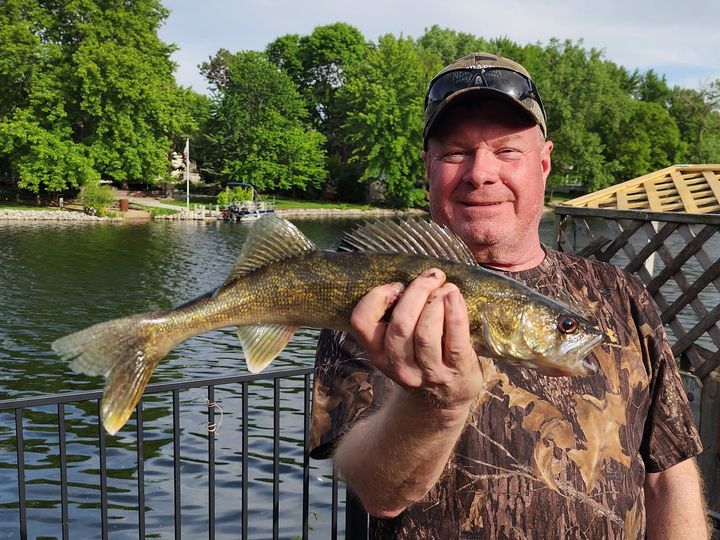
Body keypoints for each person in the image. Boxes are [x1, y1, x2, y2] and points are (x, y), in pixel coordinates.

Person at [309, 52, 707, 539]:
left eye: (506, 151)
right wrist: (436, 405)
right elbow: (377, 492)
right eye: (455, 152)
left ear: (543, 163)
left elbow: (669, 473)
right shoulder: (378, 299)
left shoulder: (620, 293)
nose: (480, 173)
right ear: (428, 168)